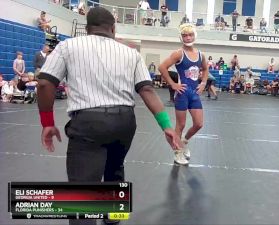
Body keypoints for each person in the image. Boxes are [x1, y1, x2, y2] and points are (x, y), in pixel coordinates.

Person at [36, 8, 182, 225]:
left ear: (87, 29)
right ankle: (114, 217)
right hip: (124, 123)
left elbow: (45, 82)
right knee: (115, 168)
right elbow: (148, 90)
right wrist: (167, 126)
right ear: (113, 29)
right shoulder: (131, 53)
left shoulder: (68, 46)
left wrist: (47, 123)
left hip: (88, 123)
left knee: (82, 189)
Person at [159, 23, 208, 166]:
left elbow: (205, 70)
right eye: (185, 35)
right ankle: (177, 152)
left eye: (190, 34)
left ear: (195, 35)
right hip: (182, 94)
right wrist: (173, 84)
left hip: (194, 94)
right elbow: (162, 67)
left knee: (198, 124)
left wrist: (203, 83)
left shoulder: (200, 55)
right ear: (181, 37)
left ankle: (184, 142)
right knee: (180, 125)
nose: (188, 37)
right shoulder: (179, 53)